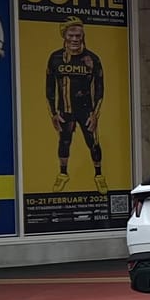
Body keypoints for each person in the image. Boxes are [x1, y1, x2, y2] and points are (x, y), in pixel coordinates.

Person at [45, 18, 107, 193]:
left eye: (78, 35)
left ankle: (99, 175)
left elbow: (100, 89)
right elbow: (49, 87)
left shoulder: (92, 59)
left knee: (93, 143)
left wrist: (95, 114)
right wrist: (53, 114)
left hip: (87, 111)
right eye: (71, 35)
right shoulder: (55, 58)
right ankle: (63, 174)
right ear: (64, 35)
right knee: (64, 142)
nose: (75, 39)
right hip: (65, 111)